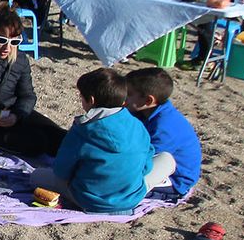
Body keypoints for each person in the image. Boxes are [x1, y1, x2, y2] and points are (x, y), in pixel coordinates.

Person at [31, 68, 153, 214]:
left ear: (91, 100)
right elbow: (147, 165)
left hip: (89, 200)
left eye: (82, 97)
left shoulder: (82, 130)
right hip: (130, 199)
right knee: (167, 159)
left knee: (37, 175)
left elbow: (61, 171)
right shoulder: (137, 125)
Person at [0, 6, 66, 156]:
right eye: (2, 40)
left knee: (60, 136)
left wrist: (17, 114)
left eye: (14, 41)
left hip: (12, 111)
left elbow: (27, 95)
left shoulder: (20, 59)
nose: (7, 47)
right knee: (36, 143)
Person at [123, 67, 202, 197]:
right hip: (157, 164)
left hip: (175, 179)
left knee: (119, 185)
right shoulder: (144, 112)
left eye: (129, 94)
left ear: (148, 100)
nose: (125, 98)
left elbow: (145, 158)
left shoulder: (164, 126)